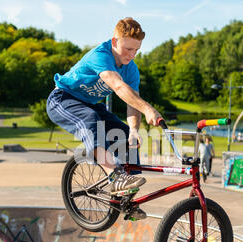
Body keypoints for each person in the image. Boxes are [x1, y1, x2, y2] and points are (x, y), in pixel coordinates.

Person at [46, 18, 163, 220]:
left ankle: (127, 200)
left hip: (89, 104)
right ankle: (115, 175)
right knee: (90, 120)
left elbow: (132, 101)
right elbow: (118, 87)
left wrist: (134, 129)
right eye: (128, 49)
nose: (132, 55)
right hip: (63, 99)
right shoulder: (100, 55)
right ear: (114, 41)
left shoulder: (131, 69)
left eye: (136, 50)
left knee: (126, 137)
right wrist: (149, 109)